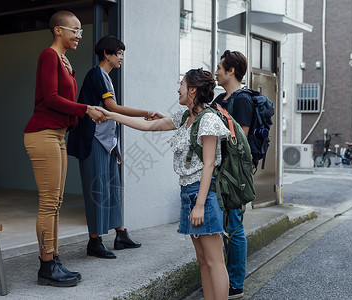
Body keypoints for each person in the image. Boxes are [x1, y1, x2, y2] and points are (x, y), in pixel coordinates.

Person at [96, 68, 230, 299]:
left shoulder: (207, 119)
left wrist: (199, 205)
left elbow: (209, 165)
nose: (178, 88)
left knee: (215, 261)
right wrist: (110, 115)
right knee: (202, 260)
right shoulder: (185, 118)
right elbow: (148, 126)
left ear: (193, 90)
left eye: (182, 84)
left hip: (202, 195)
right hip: (189, 193)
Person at [23, 10, 106, 287]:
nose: (79, 35)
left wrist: (81, 111)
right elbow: (51, 99)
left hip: (58, 135)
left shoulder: (63, 60)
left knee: (56, 203)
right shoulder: (48, 55)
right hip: (43, 134)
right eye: (75, 30)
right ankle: (46, 266)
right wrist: (86, 109)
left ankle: (54, 258)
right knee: (49, 203)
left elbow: (63, 100)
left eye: (80, 31)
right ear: (58, 30)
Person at [67, 36, 149, 259]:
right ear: (107, 54)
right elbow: (111, 108)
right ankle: (94, 241)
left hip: (107, 143)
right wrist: (145, 113)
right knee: (97, 191)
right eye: (119, 53)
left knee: (113, 189)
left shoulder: (105, 77)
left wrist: (117, 148)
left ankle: (120, 234)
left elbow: (110, 113)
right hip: (92, 141)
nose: (121, 58)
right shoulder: (97, 74)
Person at [213, 50, 253, 299]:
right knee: (224, 226)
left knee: (234, 226)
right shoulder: (219, 98)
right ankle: (224, 277)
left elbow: (242, 140)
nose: (216, 71)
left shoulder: (243, 100)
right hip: (219, 168)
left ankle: (235, 282)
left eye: (219, 67)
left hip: (234, 173)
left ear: (231, 71)